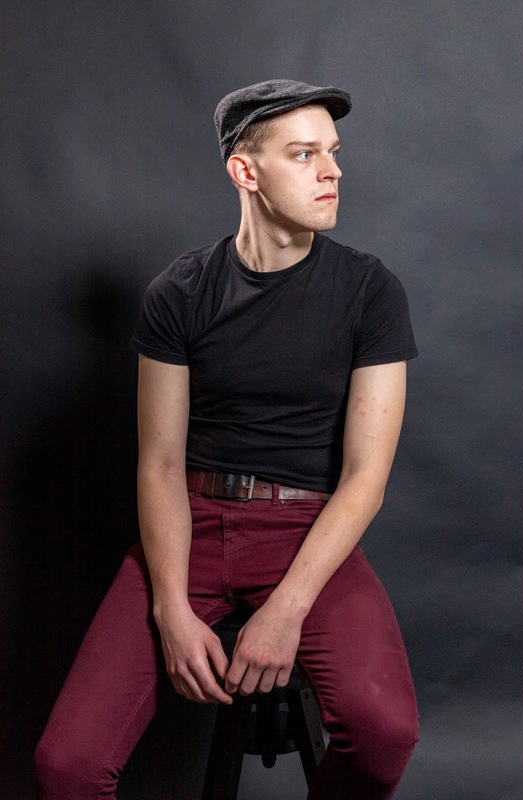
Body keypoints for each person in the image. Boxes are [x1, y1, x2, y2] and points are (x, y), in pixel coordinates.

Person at [35, 79, 419, 799]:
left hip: (307, 532)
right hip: (189, 528)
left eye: (332, 151)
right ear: (245, 171)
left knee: (383, 732)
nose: (333, 171)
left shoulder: (370, 291)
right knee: (68, 765)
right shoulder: (180, 292)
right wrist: (169, 610)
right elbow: (158, 462)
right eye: (304, 154)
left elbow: (366, 477)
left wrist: (287, 609)